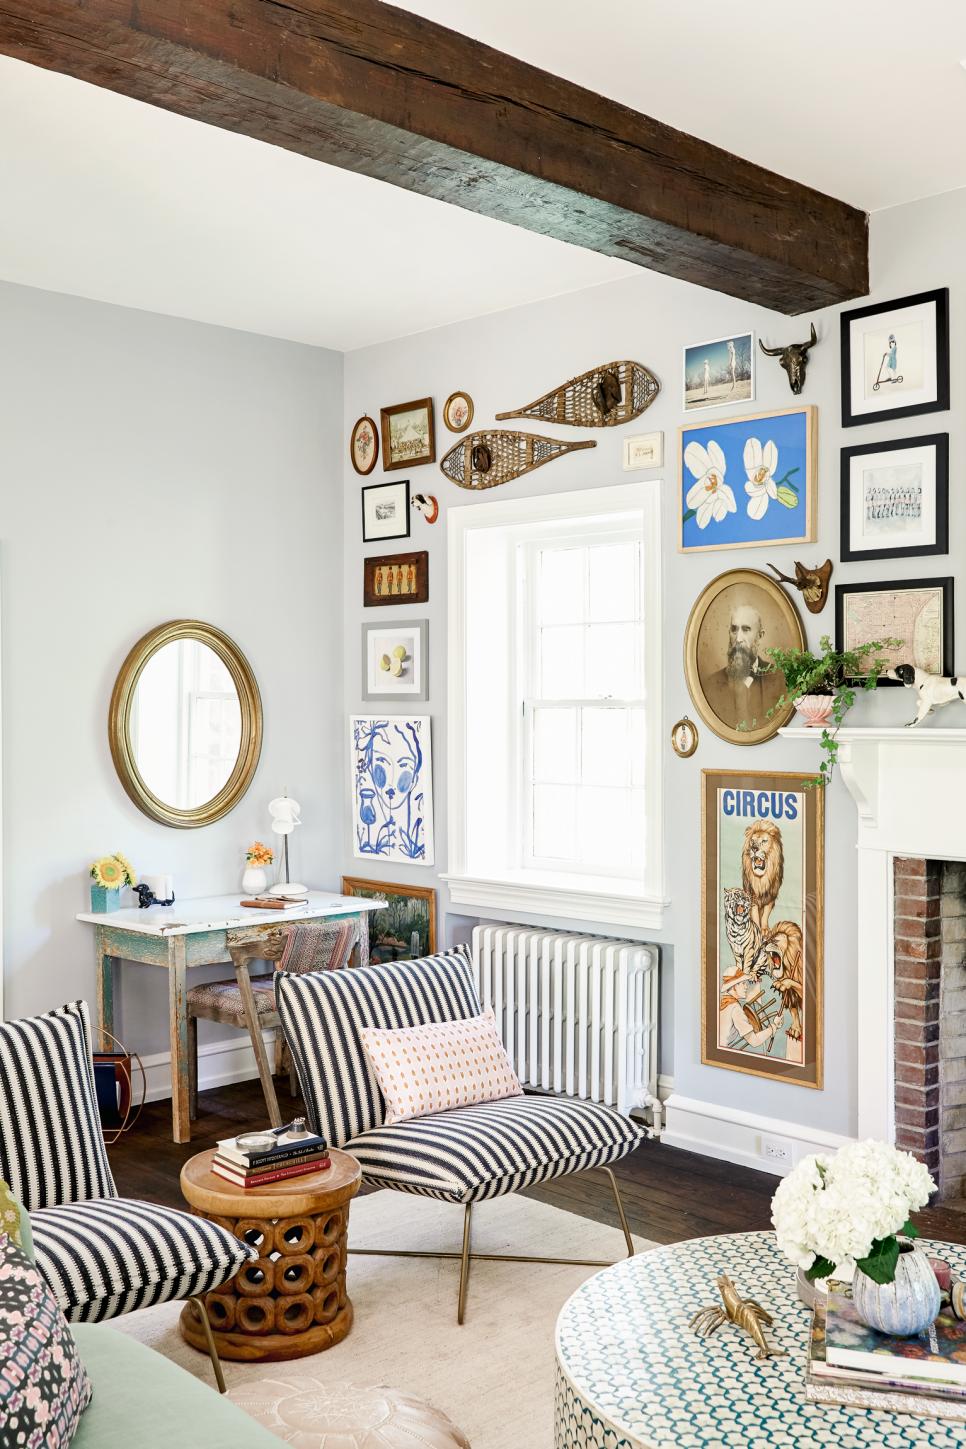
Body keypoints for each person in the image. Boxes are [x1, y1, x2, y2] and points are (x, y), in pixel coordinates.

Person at [702, 602, 786, 730]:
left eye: (746, 629)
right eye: (734, 630)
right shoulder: (712, 684)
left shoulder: (780, 680)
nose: (738, 638)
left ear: (760, 636)